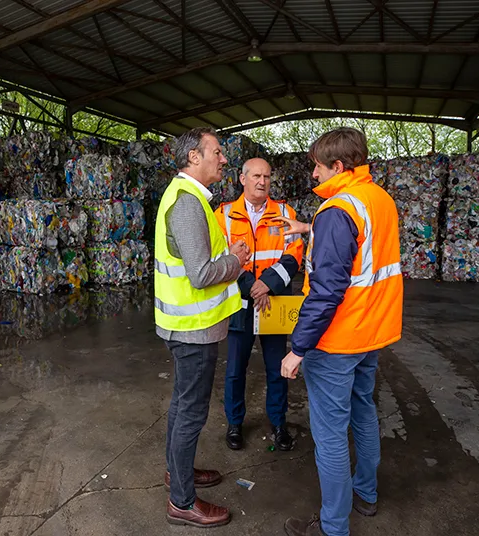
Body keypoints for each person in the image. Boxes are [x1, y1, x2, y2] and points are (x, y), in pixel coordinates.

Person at [276, 128, 403, 536]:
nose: (312, 174)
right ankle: (366, 494)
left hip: (337, 339)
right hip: (371, 334)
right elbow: (361, 250)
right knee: (363, 411)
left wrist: (298, 348)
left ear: (338, 166)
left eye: (316, 165)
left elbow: (328, 291)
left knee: (330, 434)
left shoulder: (336, 210)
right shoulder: (378, 199)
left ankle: (332, 527)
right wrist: (308, 229)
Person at [154, 127, 252, 529]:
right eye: (217, 152)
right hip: (192, 330)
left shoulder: (189, 198)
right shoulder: (188, 203)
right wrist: (236, 260)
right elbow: (201, 274)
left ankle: (177, 473)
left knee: (182, 405)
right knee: (191, 412)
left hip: (190, 326)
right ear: (194, 157)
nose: (223, 159)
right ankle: (182, 501)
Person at [214, 158, 303, 452]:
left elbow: (293, 255)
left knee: (278, 368)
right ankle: (235, 423)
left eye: (266, 176)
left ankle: (279, 424)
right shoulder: (223, 215)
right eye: (255, 176)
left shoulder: (284, 212)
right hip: (239, 304)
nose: (262, 181)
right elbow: (219, 255)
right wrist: (252, 286)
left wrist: (267, 284)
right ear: (242, 178)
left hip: (273, 303)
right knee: (235, 369)